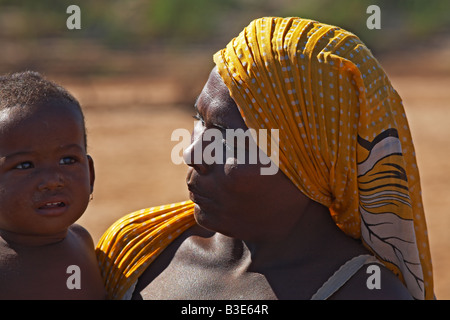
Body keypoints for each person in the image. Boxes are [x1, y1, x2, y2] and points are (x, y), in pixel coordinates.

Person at [96, 17, 434, 300]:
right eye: (200, 120)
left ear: (313, 162)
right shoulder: (136, 251)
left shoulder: (364, 293)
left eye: (230, 137)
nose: (192, 152)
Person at [0, 71, 105, 299]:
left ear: (91, 175)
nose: (51, 181)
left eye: (68, 160)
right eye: (25, 165)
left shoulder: (83, 242)